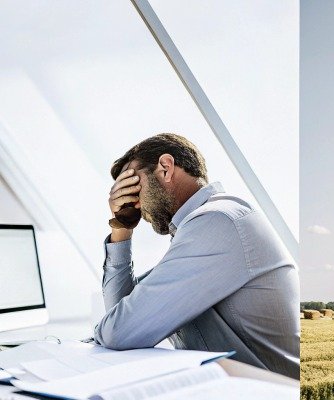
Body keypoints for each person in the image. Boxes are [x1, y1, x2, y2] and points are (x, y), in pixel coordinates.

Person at [93, 133, 300, 379]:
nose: (133, 203)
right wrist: (121, 227)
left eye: (132, 185)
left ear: (166, 168)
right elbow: (121, 314)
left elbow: (118, 332)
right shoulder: (205, 226)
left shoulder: (218, 221)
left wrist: (111, 329)